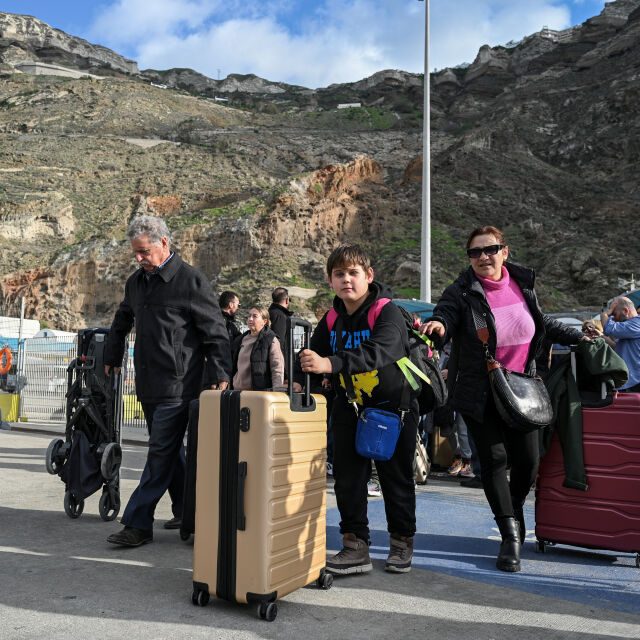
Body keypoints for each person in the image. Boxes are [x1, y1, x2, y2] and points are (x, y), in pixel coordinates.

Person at [420, 225, 586, 573]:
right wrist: (438, 325)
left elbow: (542, 325)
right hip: (480, 392)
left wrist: (581, 337)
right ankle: (510, 534)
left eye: (490, 249)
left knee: (528, 462)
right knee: (494, 460)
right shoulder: (462, 291)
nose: (483, 257)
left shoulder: (522, 286)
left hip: (522, 388)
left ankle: (511, 509)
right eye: (475, 252)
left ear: (504, 252)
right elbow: (446, 314)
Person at [104, 215, 232, 547]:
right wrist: (111, 355)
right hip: (147, 384)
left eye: (144, 252)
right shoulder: (136, 282)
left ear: (164, 243)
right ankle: (191, 514)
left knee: (160, 452)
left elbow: (216, 333)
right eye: (135, 252)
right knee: (171, 453)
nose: (139, 259)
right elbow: (122, 319)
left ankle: (137, 523)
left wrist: (220, 374)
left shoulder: (191, 281)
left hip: (180, 385)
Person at [297, 244, 419, 575]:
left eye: (353, 273)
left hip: (393, 409)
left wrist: (330, 363)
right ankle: (355, 546)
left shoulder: (388, 311)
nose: (346, 280)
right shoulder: (333, 317)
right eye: (339, 274)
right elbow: (314, 352)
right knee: (348, 480)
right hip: (349, 408)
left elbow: (380, 351)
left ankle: (401, 542)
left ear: (369, 276)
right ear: (330, 280)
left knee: (396, 478)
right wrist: (299, 376)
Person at [231, 306, 284, 390]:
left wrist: (277, 390)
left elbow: (277, 367)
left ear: (264, 321)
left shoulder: (271, 339)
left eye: (255, 316)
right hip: (237, 391)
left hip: (258, 393)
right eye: (249, 316)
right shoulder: (240, 339)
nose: (250, 319)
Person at [601, 297, 640, 392]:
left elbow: (609, 329)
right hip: (631, 382)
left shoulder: (637, 323)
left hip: (636, 383)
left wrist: (606, 314)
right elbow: (616, 346)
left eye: (614, 314)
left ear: (626, 310)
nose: (613, 318)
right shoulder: (630, 328)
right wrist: (601, 336)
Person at [268, 287, 293, 375]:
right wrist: (285, 371)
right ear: (287, 300)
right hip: (279, 366)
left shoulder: (270, 313)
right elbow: (279, 343)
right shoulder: (280, 316)